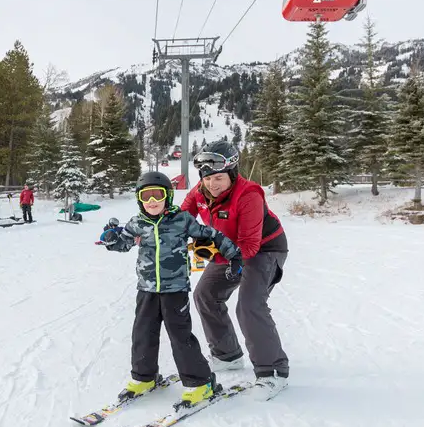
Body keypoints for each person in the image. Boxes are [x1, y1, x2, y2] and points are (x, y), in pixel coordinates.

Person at [101, 171, 241, 408]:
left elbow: (212, 235)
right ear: (140, 199)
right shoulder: (137, 223)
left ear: (168, 197)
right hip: (146, 288)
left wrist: (234, 254)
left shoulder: (182, 220)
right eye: (147, 196)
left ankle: (200, 383)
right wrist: (111, 238)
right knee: (142, 333)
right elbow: (122, 244)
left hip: (175, 289)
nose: (152, 201)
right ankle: (144, 377)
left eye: (158, 195)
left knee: (180, 336)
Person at [180, 140, 290, 400]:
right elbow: (179, 219)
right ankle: (227, 355)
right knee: (205, 294)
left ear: (231, 173)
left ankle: (273, 371)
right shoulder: (200, 192)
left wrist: (213, 251)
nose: (212, 184)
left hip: (264, 250)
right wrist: (144, 234)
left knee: (250, 305)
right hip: (228, 248)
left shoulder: (249, 194)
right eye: (207, 178)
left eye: (218, 178)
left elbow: (250, 246)